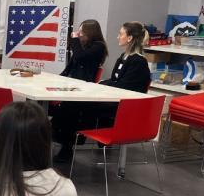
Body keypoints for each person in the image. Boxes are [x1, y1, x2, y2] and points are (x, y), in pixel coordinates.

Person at [51, 21, 152, 163]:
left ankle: (67, 145)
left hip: (123, 106)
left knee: (74, 106)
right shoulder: (123, 57)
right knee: (70, 105)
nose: (117, 37)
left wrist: (103, 84)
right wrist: (103, 84)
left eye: (120, 34)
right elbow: (115, 81)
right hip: (115, 100)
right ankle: (62, 140)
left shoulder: (138, 62)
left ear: (129, 38)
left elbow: (124, 86)